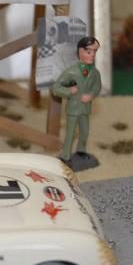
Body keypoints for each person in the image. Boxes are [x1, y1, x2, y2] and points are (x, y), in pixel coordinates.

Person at [51, 36, 102, 171]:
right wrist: (69, 91)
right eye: (89, 52)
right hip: (73, 109)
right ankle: (65, 156)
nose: (93, 55)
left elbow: (97, 87)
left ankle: (81, 151)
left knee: (85, 131)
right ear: (80, 51)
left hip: (85, 108)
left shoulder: (95, 73)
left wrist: (90, 95)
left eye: (95, 52)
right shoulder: (71, 71)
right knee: (70, 133)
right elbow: (55, 88)